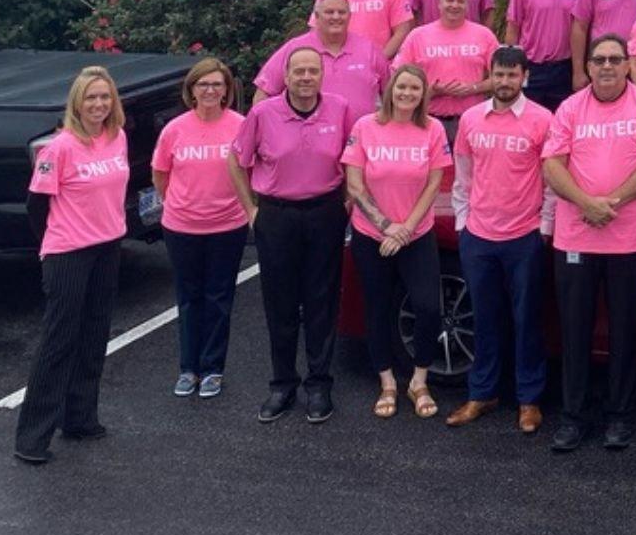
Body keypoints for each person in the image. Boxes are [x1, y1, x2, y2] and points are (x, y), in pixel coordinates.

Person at [541, 35, 636, 451]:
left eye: (616, 59)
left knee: (624, 331)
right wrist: (586, 203)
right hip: (576, 236)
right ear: (590, 66)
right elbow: (551, 165)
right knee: (575, 331)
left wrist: (610, 202)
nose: (608, 66)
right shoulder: (570, 108)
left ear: (628, 65)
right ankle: (573, 418)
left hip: (629, 240)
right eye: (600, 60)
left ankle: (619, 416)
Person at [228, 47, 352, 424]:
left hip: (324, 212)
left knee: (321, 301)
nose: (305, 78)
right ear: (286, 75)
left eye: (312, 71)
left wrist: (346, 203)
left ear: (321, 75)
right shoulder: (263, 113)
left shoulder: (340, 108)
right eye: (298, 71)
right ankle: (282, 384)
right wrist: (251, 209)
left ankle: (319, 384)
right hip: (277, 215)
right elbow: (237, 160)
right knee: (280, 303)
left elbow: (353, 159)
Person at [14, 67, 129, 464]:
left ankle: (79, 418)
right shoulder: (59, 147)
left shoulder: (118, 138)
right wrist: (55, 243)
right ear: (76, 103)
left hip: (107, 247)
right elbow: (36, 206)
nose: (99, 104)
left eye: (105, 97)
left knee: (95, 335)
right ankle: (31, 436)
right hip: (68, 254)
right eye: (91, 98)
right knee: (59, 342)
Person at [447, 47, 554, 434]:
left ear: (524, 76)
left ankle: (529, 400)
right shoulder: (472, 119)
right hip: (479, 235)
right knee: (484, 318)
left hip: (523, 235)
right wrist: (463, 222)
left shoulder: (543, 120)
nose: (505, 82)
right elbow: (463, 175)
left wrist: (544, 227)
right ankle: (482, 393)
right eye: (499, 74)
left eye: (512, 75)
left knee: (527, 320)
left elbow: (551, 179)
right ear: (490, 76)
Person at [342, 65, 449, 420]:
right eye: (401, 87)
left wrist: (405, 229)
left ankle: (419, 380)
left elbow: (434, 184)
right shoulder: (365, 127)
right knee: (377, 307)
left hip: (416, 233)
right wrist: (386, 225)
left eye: (414, 89)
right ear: (391, 90)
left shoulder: (432, 129)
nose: (407, 94)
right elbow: (355, 184)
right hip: (372, 233)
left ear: (422, 95)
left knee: (428, 307)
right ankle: (387, 381)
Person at [152, 58, 248, 400]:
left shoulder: (240, 125)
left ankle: (212, 369)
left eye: (217, 85)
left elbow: (251, 170)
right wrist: (181, 203)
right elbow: (161, 174)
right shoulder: (174, 129)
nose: (210, 90)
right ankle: (188, 368)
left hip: (228, 225)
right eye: (203, 84)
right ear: (191, 90)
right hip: (181, 227)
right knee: (189, 298)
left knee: (219, 298)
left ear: (227, 90)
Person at [255, 0, 389, 128]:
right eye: (329, 12)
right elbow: (264, 91)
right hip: (308, 141)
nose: (336, 17)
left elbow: (390, 94)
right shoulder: (295, 48)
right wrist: (267, 130)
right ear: (317, 17)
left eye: (341, 12)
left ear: (350, 16)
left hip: (360, 141)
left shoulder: (369, 49)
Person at [393, 0, 498, 144]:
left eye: (460, 1)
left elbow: (501, 79)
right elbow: (397, 79)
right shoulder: (417, 36)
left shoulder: (485, 35)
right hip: (427, 119)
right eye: (450, 0)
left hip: (471, 121)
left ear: (467, 5)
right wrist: (431, 91)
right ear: (439, 4)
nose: (454, 5)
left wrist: (473, 88)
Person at [504, 0, 584, 110]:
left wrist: (578, 71)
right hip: (531, 68)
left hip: (565, 69)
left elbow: (583, 29)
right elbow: (513, 28)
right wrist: (512, 67)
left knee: (561, 123)